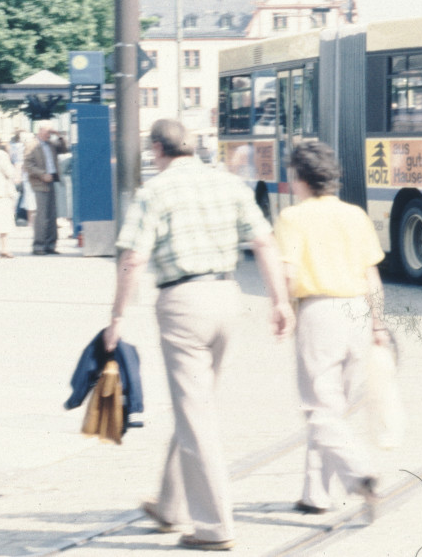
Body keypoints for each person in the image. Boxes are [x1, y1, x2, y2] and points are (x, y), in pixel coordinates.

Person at [102, 118, 294, 551]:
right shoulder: (229, 185)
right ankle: (171, 505)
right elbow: (264, 243)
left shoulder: (155, 192)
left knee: (195, 413)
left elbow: (134, 256)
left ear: (156, 150)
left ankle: (214, 526)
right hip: (228, 296)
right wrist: (279, 302)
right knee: (197, 405)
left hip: (182, 302)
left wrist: (117, 316)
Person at [273, 142, 385, 519]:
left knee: (319, 409)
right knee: (335, 409)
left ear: (298, 177)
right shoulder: (355, 215)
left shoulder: (292, 217)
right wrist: (379, 324)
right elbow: (372, 275)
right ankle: (315, 493)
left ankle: (359, 474)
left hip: (320, 312)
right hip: (357, 312)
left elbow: (287, 272)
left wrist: (284, 310)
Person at [23, 122, 64, 254]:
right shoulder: (32, 144)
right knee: (42, 215)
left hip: (52, 179)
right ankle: (39, 246)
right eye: (47, 132)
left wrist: (59, 135)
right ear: (40, 131)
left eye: (50, 132)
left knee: (52, 215)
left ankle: (51, 245)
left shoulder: (51, 144)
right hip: (40, 182)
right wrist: (41, 174)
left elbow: (64, 149)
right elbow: (28, 165)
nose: (49, 134)